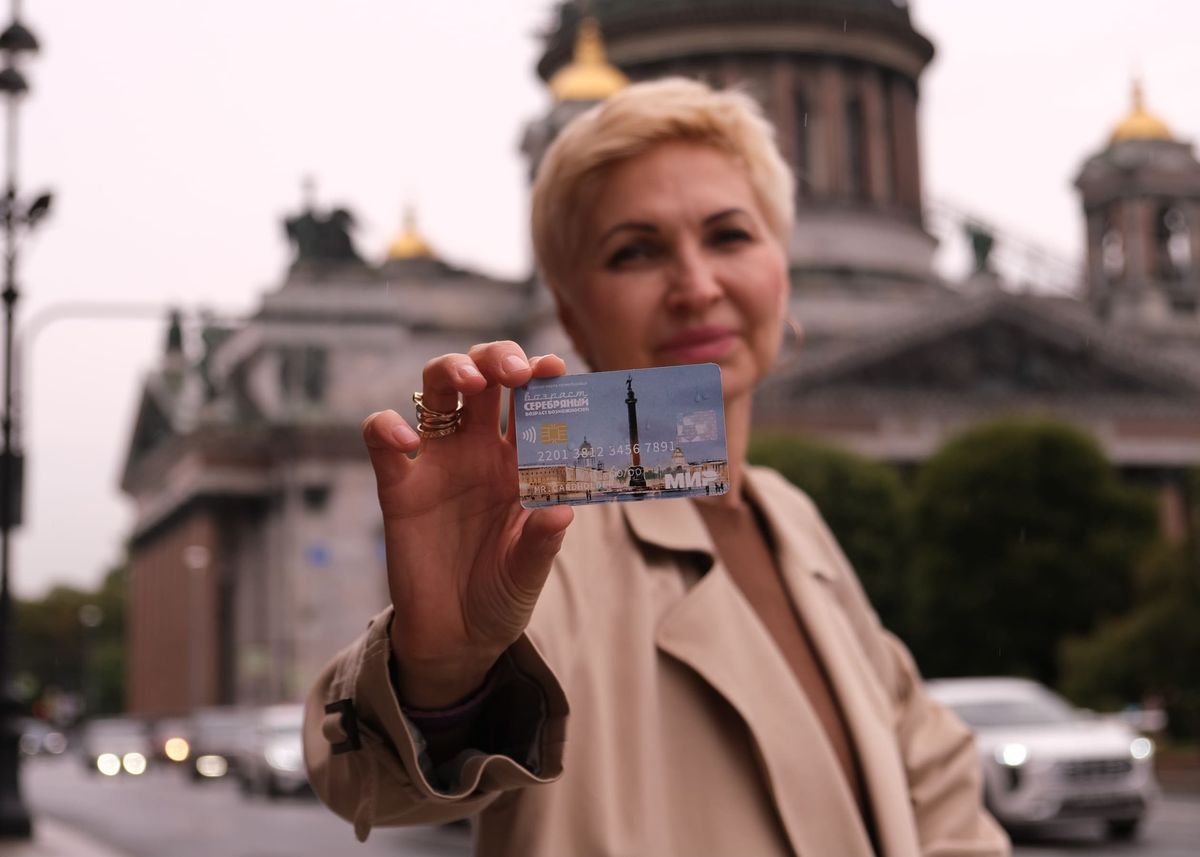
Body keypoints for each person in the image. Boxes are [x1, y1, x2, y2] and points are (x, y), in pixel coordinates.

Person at [303, 78, 1010, 857]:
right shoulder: (544, 533)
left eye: (730, 236)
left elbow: (934, 772)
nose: (697, 287)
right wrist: (441, 672)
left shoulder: (792, 517)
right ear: (570, 312)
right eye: (634, 251)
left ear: (781, 271)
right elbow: (360, 780)